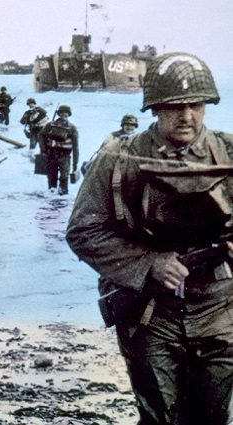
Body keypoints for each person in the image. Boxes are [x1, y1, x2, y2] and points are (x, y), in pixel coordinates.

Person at [66, 52, 233, 424]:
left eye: (195, 105)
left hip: (219, 309)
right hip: (150, 311)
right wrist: (149, 263)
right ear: (154, 109)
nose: (186, 116)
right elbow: (83, 230)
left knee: (214, 417)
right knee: (159, 416)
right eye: (174, 106)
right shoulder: (119, 159)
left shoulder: (230, 153)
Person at [39, 104, 79, 194]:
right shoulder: (50, 125)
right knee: (52, 175)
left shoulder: (72, 128)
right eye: (61, 114)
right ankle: (53, 195)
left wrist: (75, 163)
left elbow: (75, 146)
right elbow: (41, 135)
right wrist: (43, 149)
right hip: (51, 154)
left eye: (66, 114)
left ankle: (62, 195)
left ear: (68, 115)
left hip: (64, 155)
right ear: (59, 114)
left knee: (64, 176)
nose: (63, 116)